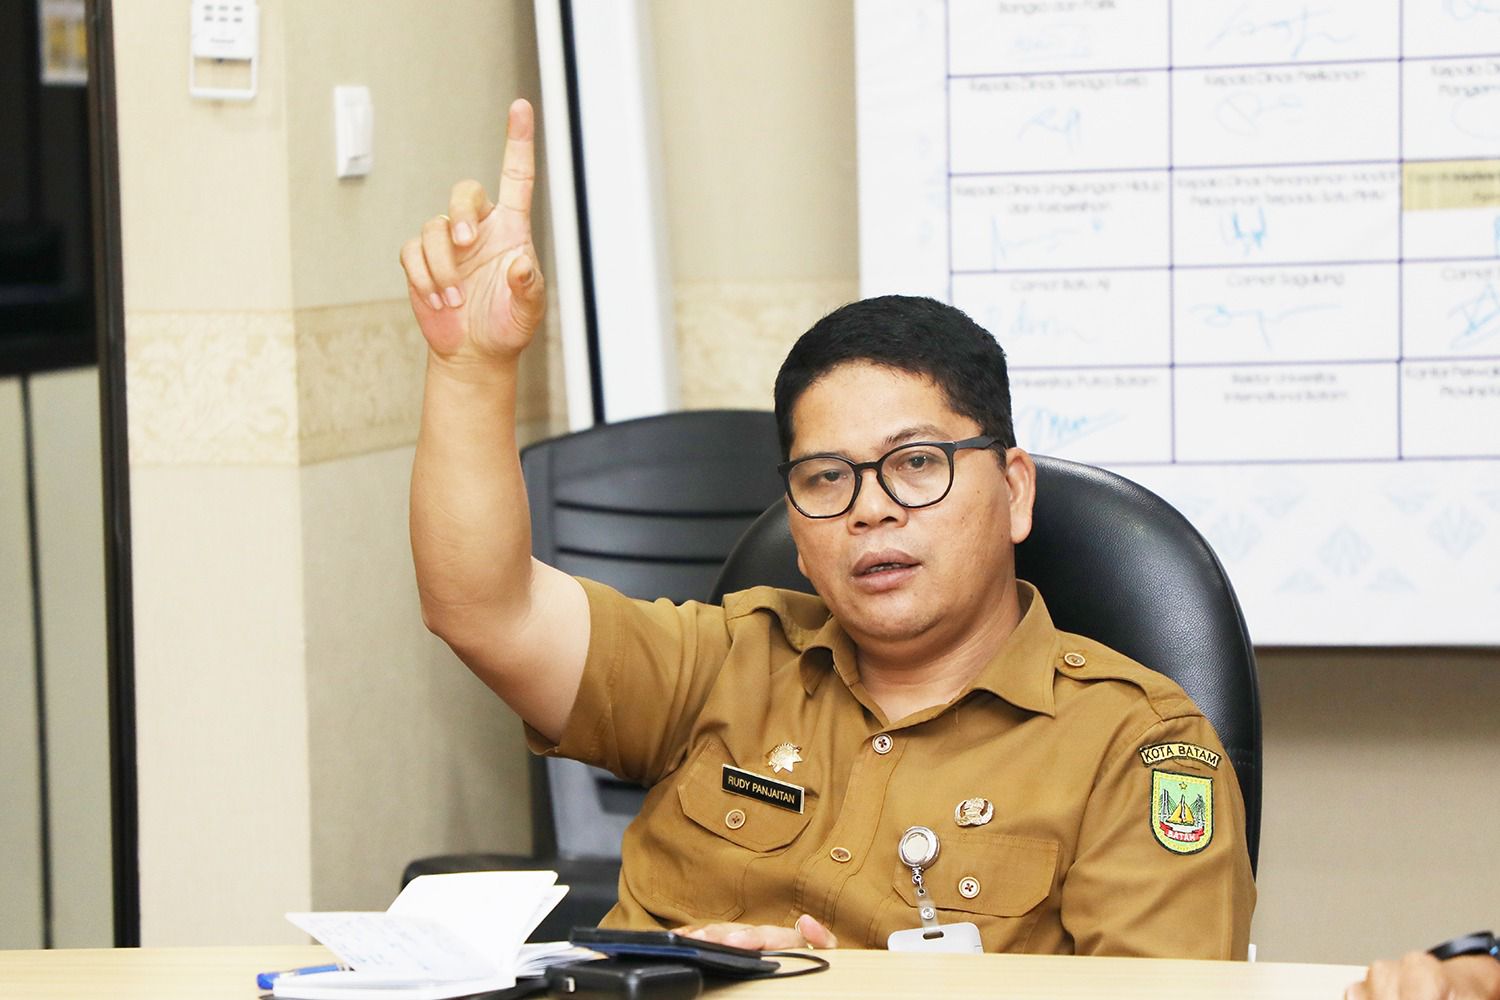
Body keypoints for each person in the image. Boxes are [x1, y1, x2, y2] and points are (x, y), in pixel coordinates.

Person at [402, 98, 1255, 957]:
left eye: (917, 463)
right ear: (798, 534)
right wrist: (472, 368)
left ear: (1014, 491)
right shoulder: (727, 664)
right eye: (827, 478)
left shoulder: (1133, 747)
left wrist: (853, 986)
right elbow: (484, 608)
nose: (870, 507)